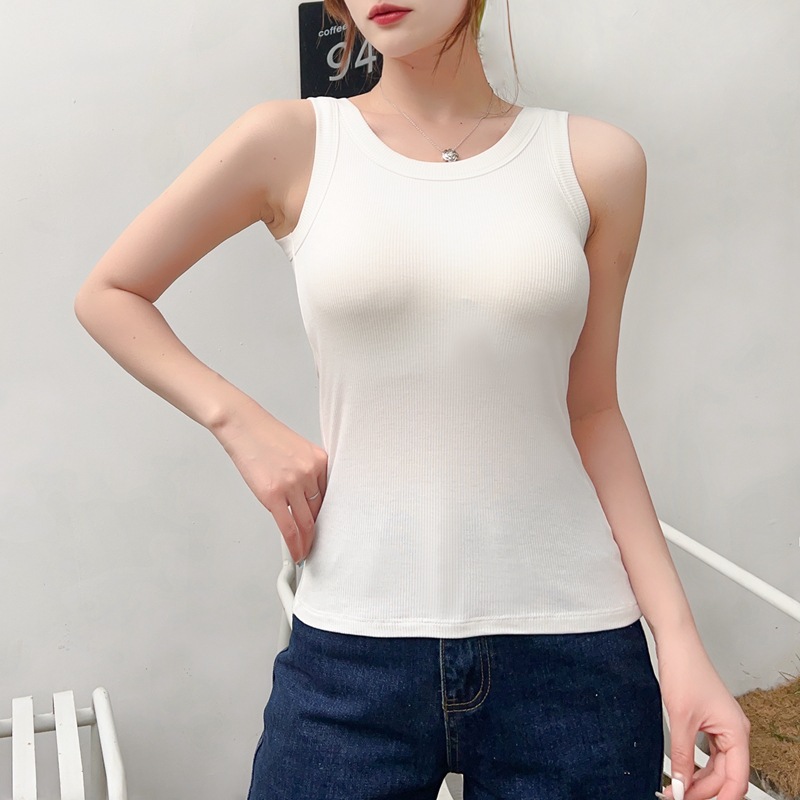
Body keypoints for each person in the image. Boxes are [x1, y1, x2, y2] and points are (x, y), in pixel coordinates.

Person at [74, 1, 752, 798]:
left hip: (572, 655)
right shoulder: (293, 141)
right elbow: (110, 293)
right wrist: (239, 422)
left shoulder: (597, 161)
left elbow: (592, 409)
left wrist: (679, 640)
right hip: (353, 653)